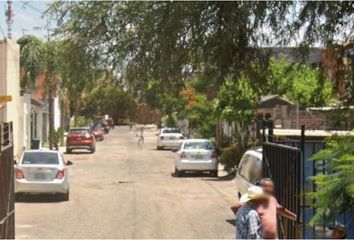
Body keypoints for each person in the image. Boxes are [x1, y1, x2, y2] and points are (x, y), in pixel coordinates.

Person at [231, 178, 297, 239]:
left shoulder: (271, 200)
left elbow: (280, 209)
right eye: (265, 186)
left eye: (269, 186)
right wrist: (245, 220)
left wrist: (294, 217)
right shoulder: (251, 210)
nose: (268, 188)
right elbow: (253, 235)